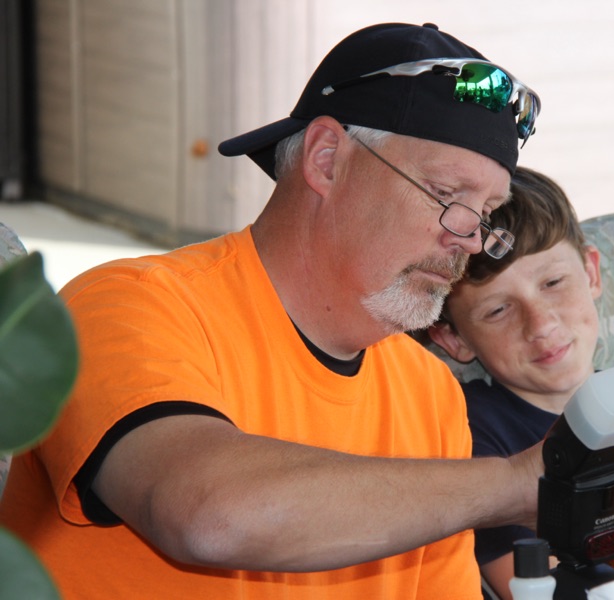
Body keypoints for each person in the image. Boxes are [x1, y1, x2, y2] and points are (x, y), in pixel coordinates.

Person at [0, 23, 550, 599]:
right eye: (446, 196)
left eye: (486, 212)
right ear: (327, 158)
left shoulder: (430, 393)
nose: (468, 237)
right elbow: (208, 514)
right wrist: (513, 486)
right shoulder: (129, 304)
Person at [427, 167, 614, 600]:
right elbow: (539, 588)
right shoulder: (469, 443)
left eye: (553, 283)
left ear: (592, 274)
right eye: (498, 310)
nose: (540, 325)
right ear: (454, 339)